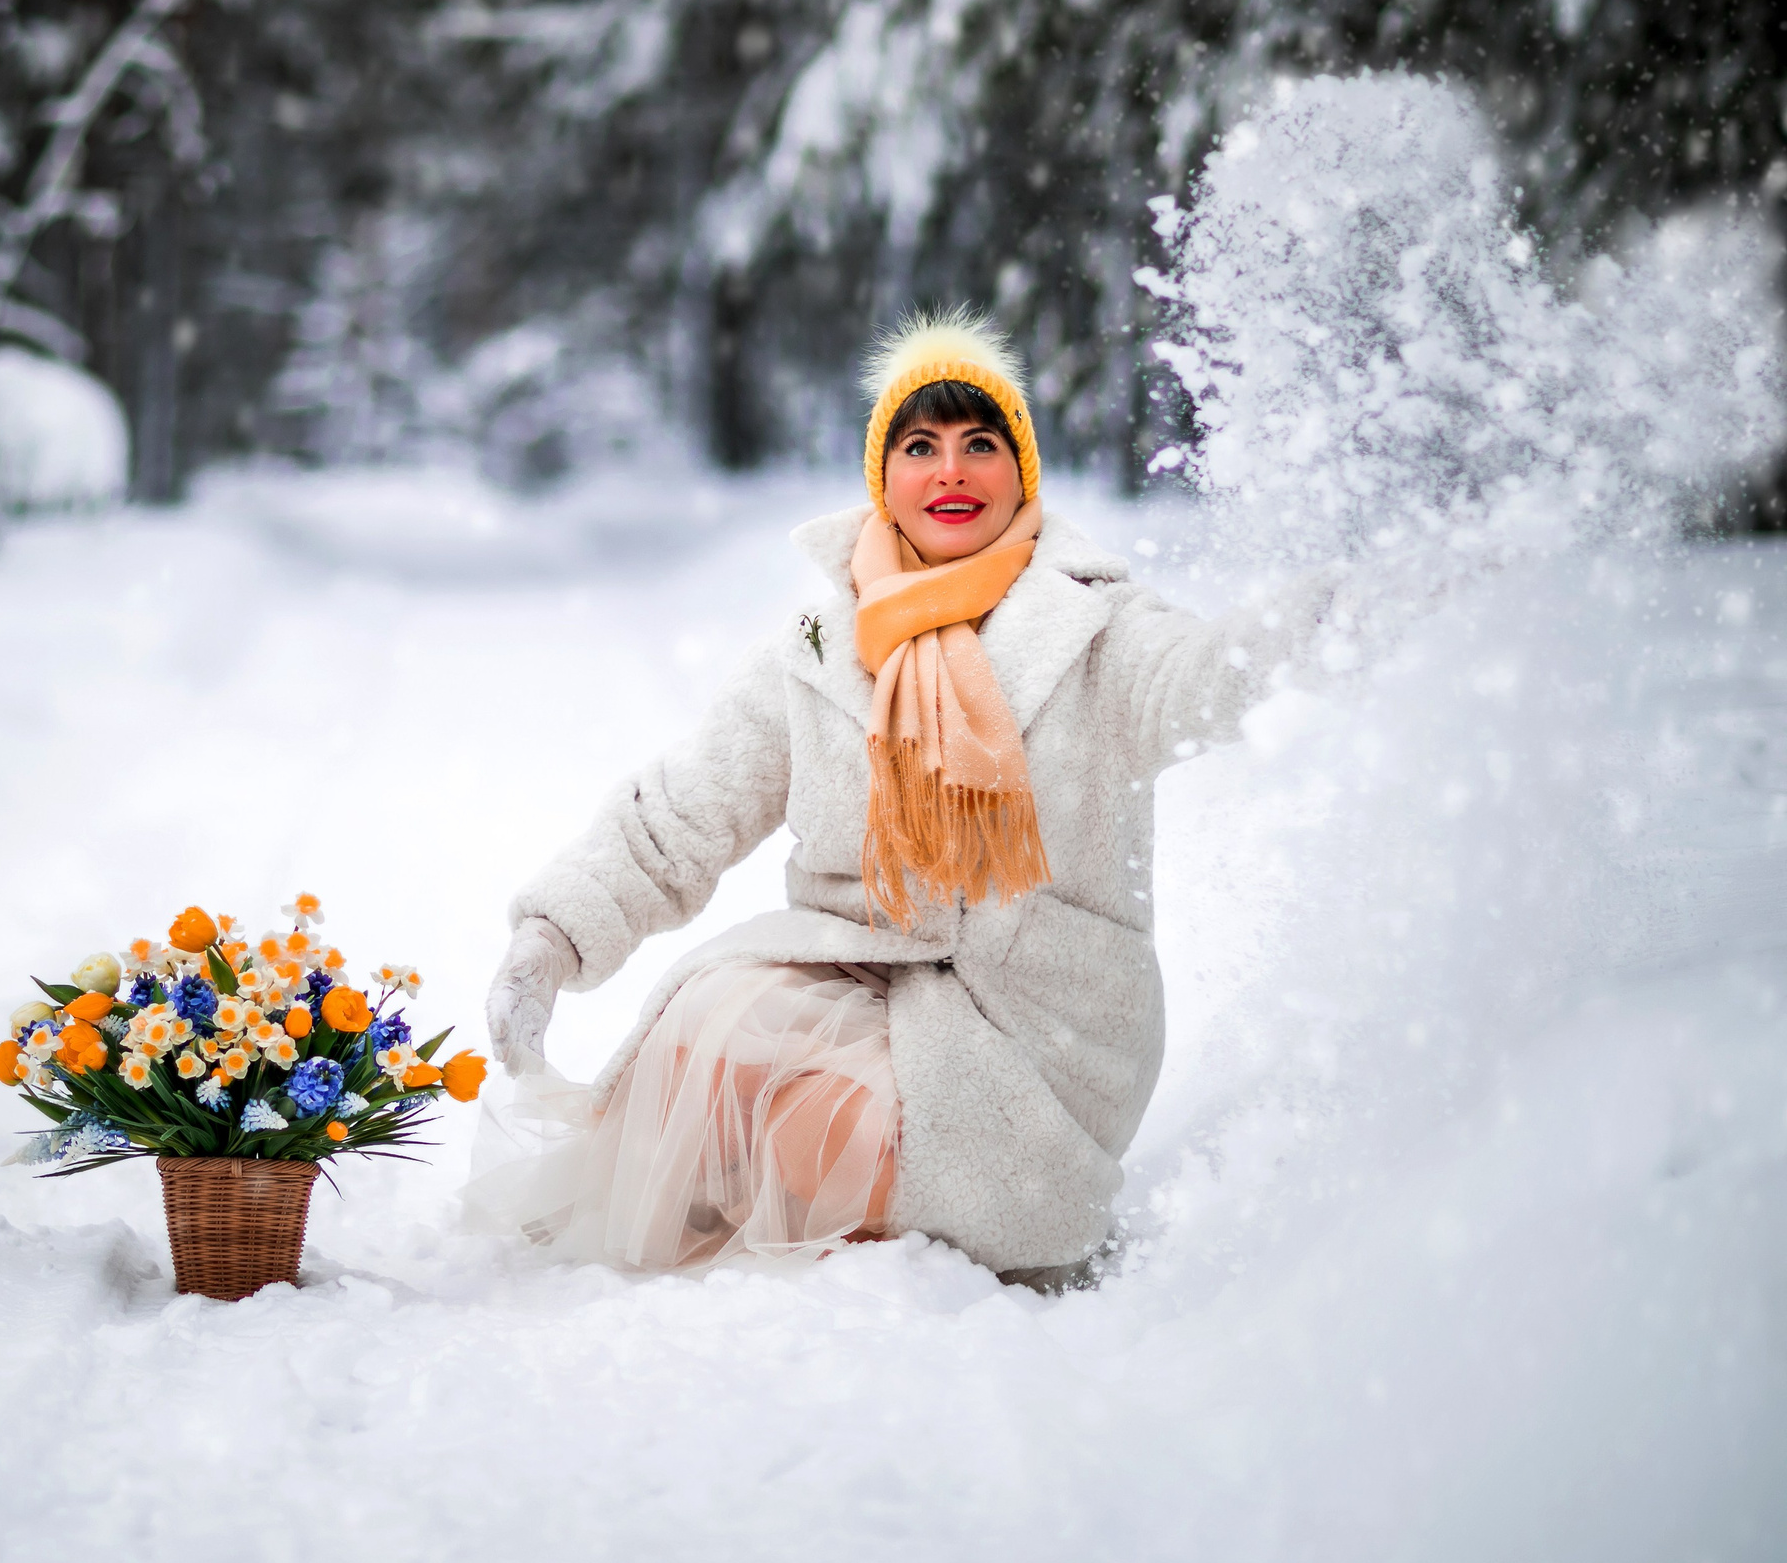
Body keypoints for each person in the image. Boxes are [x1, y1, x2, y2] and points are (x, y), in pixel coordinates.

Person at [472, 309, 1354, 1282]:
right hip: (868, 977)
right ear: (879, 478)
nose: (950, 471)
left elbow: (1205, 677)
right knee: (703, 1040)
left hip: (1038, 1027)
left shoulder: (1093, 628)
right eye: (920, 446)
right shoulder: (818, 644)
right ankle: (730, 1268)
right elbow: (690, 804)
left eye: (981, 444)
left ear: (1019, 471)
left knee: (813, 1136)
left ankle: (876, 1280)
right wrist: (553, 936)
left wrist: (1321, 617)